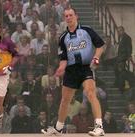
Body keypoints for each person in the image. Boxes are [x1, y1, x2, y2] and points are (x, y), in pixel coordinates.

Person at [41, 7, 105, 136]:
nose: (69, 18)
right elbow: (64, 57)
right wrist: (61, 67)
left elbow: (100, 45)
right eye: (66, 16)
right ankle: (59, 129)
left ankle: (99, 127)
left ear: (76, 16)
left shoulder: (87, 30)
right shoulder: (63, 37)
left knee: (90, 92)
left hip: (85, 67)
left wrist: (96, 57)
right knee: (65, 100)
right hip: (70, 71)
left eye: (71, 15)